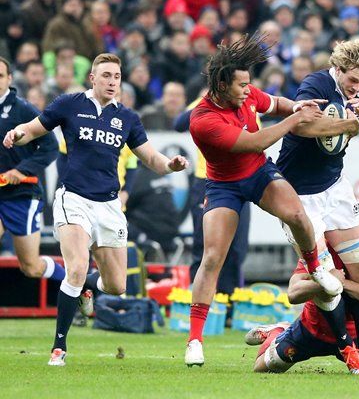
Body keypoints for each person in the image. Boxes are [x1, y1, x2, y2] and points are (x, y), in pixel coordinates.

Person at [3, 53, 188, 367]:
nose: (112, 81)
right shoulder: (69, 104)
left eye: (116, 76)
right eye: (106, 75)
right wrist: (17, 134)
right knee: (76, 266)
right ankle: (59, 347)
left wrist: (171, 165)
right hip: (73, 199)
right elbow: (34, 129)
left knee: (116, 285)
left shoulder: (127, 118)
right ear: (92, 78)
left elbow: (152, 160)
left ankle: (87, 286)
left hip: (109, 206)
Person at [184, 33, 346, 367]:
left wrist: (296, 106)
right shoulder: (203, 120)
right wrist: (294, 120)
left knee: (299, 217)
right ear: (221, 84)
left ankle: (315, 268)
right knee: (213, 257)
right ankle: (195, 340)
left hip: (258, 174)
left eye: (248, 84)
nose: (247, 89)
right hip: (223, 186)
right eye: (241, 84)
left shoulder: (245, 95)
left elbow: (272, 103)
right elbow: (254, 142)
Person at [275, 38, 359, 363]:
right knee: (327, 279)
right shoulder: (317, 83)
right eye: (353, 80)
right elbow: (302, 125)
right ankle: (348, 350)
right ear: (339, 68)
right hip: (298, 195)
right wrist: (347, 124)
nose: (356, 87)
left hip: (336, 189)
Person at [244, 213, 359, 375]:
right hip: (312, 331)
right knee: (263, 367)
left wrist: (342, 283)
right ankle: (279, 330)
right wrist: (324, 281)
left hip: (353, 337)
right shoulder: (320, 252)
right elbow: (293, 293)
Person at [174, 94, 250, 327]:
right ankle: (198, 306)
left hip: (241, 180)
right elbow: (178, 124)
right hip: (207, 181)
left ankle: (227, 305)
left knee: (236, 249)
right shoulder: (204, 102)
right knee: (204, 247)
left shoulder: (245, 100)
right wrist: (210, 100)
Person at [0, 56, 64, 284]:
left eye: (0, 76)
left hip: (21, 195)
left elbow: (50, 147)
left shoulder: (24, 110)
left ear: (9, 79)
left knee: (31, 266)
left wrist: (21, 171)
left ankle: (77, 282)